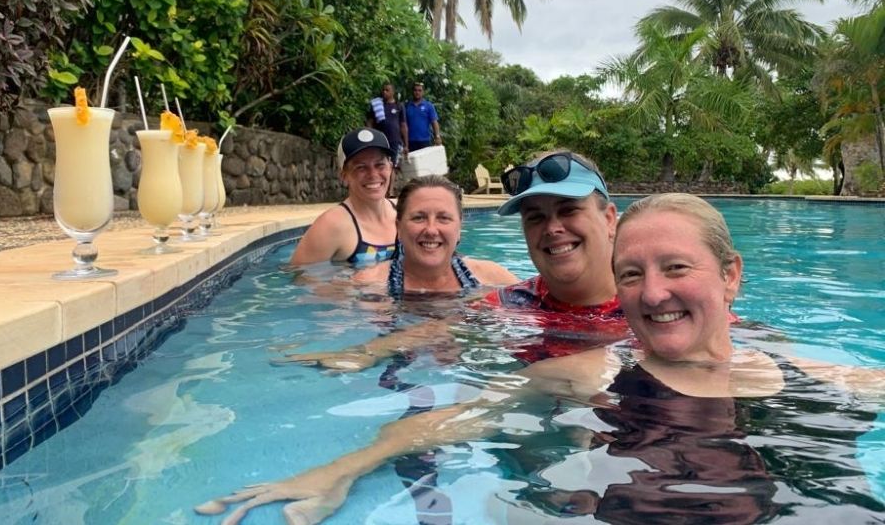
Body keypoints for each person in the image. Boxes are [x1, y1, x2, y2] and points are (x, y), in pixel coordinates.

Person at [194, 193, 885, 524]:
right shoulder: (602, 369)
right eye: (633, 275)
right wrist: (337, 469)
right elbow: (462, 416)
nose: (654, 293)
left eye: (676, 267)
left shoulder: (812, 375)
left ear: (730, 277)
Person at [281, 151, 629, 371]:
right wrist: (366, 352)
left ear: (610, 218)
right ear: (398, 228)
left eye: (568, 210)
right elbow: (447, 326)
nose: (552, 228)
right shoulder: (517, 300)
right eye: (535, 218)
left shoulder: (650, 301)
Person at [351, 175, 518, 295]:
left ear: (459, 229)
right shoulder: (370, 285)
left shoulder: (493, 279)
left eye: (443, 218)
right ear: (399, 228)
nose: (431, 230)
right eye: (419, 217)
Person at [289, 128, 397, 265]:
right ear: (344, 176)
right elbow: (298, 277)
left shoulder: (406, 213)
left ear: (391, 168)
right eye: (361, 167)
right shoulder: (331, 225)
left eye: (380, 165)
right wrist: (351, 283)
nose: (373, 174)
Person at [366, 83, 408, 172]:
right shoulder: (377, 105)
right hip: (380, 140)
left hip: (394, 140)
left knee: (392, 165)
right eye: (383, 90)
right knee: (380, 163)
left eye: (387, 90)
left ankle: (391, 186)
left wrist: (406, 144)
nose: (384, 92)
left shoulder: (399, 106)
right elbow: (370, 122)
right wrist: (372, 136)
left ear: (393, 92)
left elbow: (403, 125)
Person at [405, 82, 441, 152]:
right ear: (412, 91)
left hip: (424, 141)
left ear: (423, 92)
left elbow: (434, 122)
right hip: (410, 141)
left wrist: (437, 136)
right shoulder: (407, 106)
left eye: (419, 90)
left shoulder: (428, 106)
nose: (417, 92)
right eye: (415, 90)